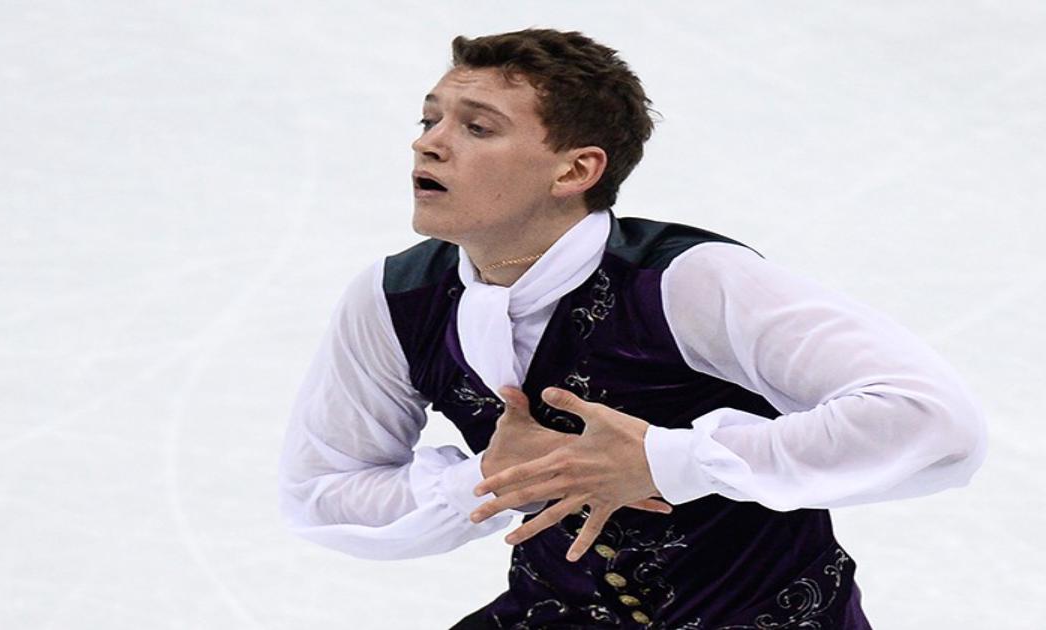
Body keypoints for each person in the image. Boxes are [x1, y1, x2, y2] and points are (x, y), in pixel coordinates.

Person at [277, 28, 987, 629]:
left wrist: (672, 462)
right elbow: (322, 492)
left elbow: (932, 420)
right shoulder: (397, 300)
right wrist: (490, 479)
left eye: (476, 127)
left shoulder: (686, 282)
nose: (428, 145)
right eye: (428, 119)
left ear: (575, 170)